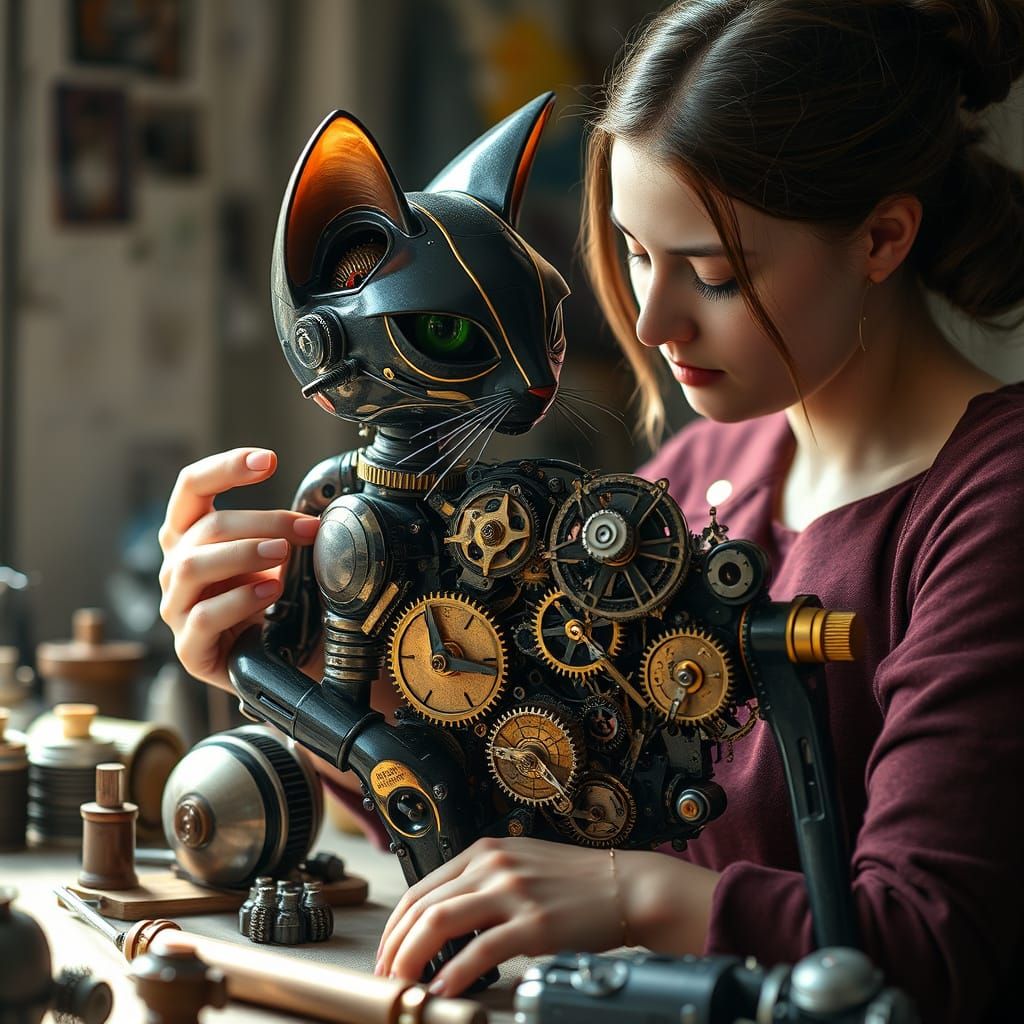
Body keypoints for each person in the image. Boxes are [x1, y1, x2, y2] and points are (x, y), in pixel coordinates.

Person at [158, 2, 1024, 1020]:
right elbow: (523, 811)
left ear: (881, 237)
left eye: (712, 273)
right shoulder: (702, 468)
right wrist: (311, 685)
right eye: (636, 255)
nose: (653, 322)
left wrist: (632, 892)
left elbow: (928, 946)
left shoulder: (993, 505)